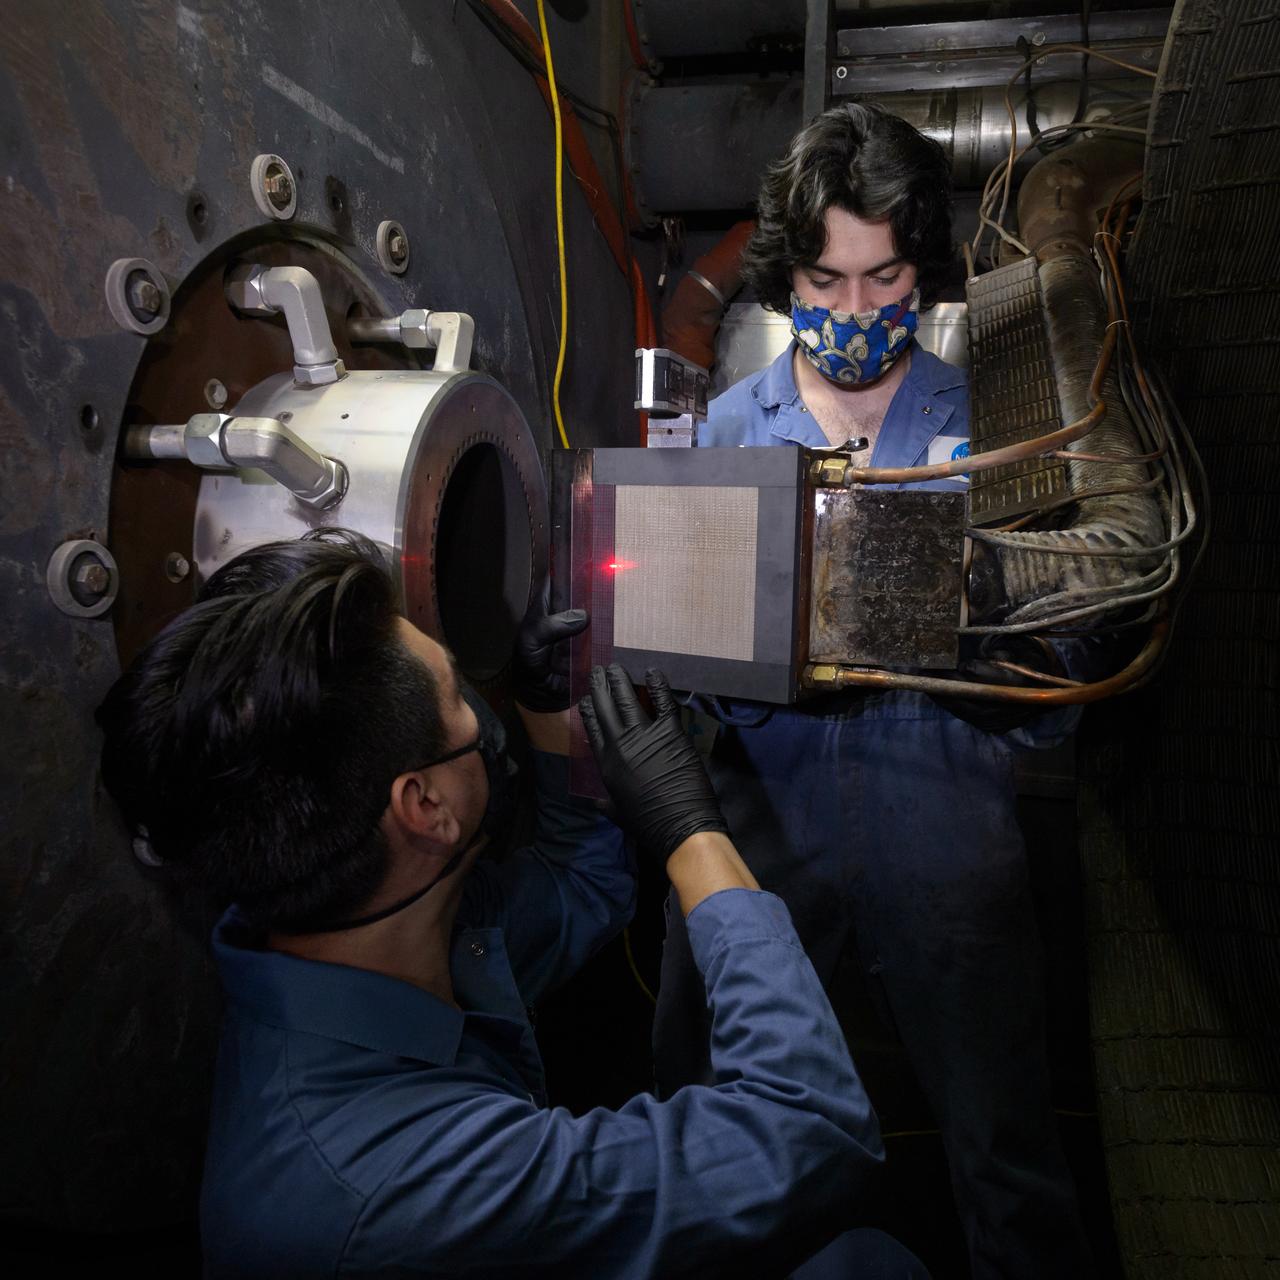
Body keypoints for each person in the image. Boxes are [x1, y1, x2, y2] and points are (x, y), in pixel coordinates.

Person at [96, 528, 927, 1279]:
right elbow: (812, 1127)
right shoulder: (399, 1187)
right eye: (459, 695)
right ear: (423, 809)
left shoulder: (350, 924)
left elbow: (582, 887)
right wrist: (689, 831)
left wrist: (541, 708)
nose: (473, 710)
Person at [653, 105, 1096, 1279]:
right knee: (733, 1123)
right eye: (824, 277)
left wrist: (996, 636)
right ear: (785, 274)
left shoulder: (990, 426)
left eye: (883, 275)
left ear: (921, 266)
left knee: (1001, 1144)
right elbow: (694, 662)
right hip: (773, 822)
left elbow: (1065, 658)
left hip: (946, 823)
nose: (853, 310)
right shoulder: (727, 435)